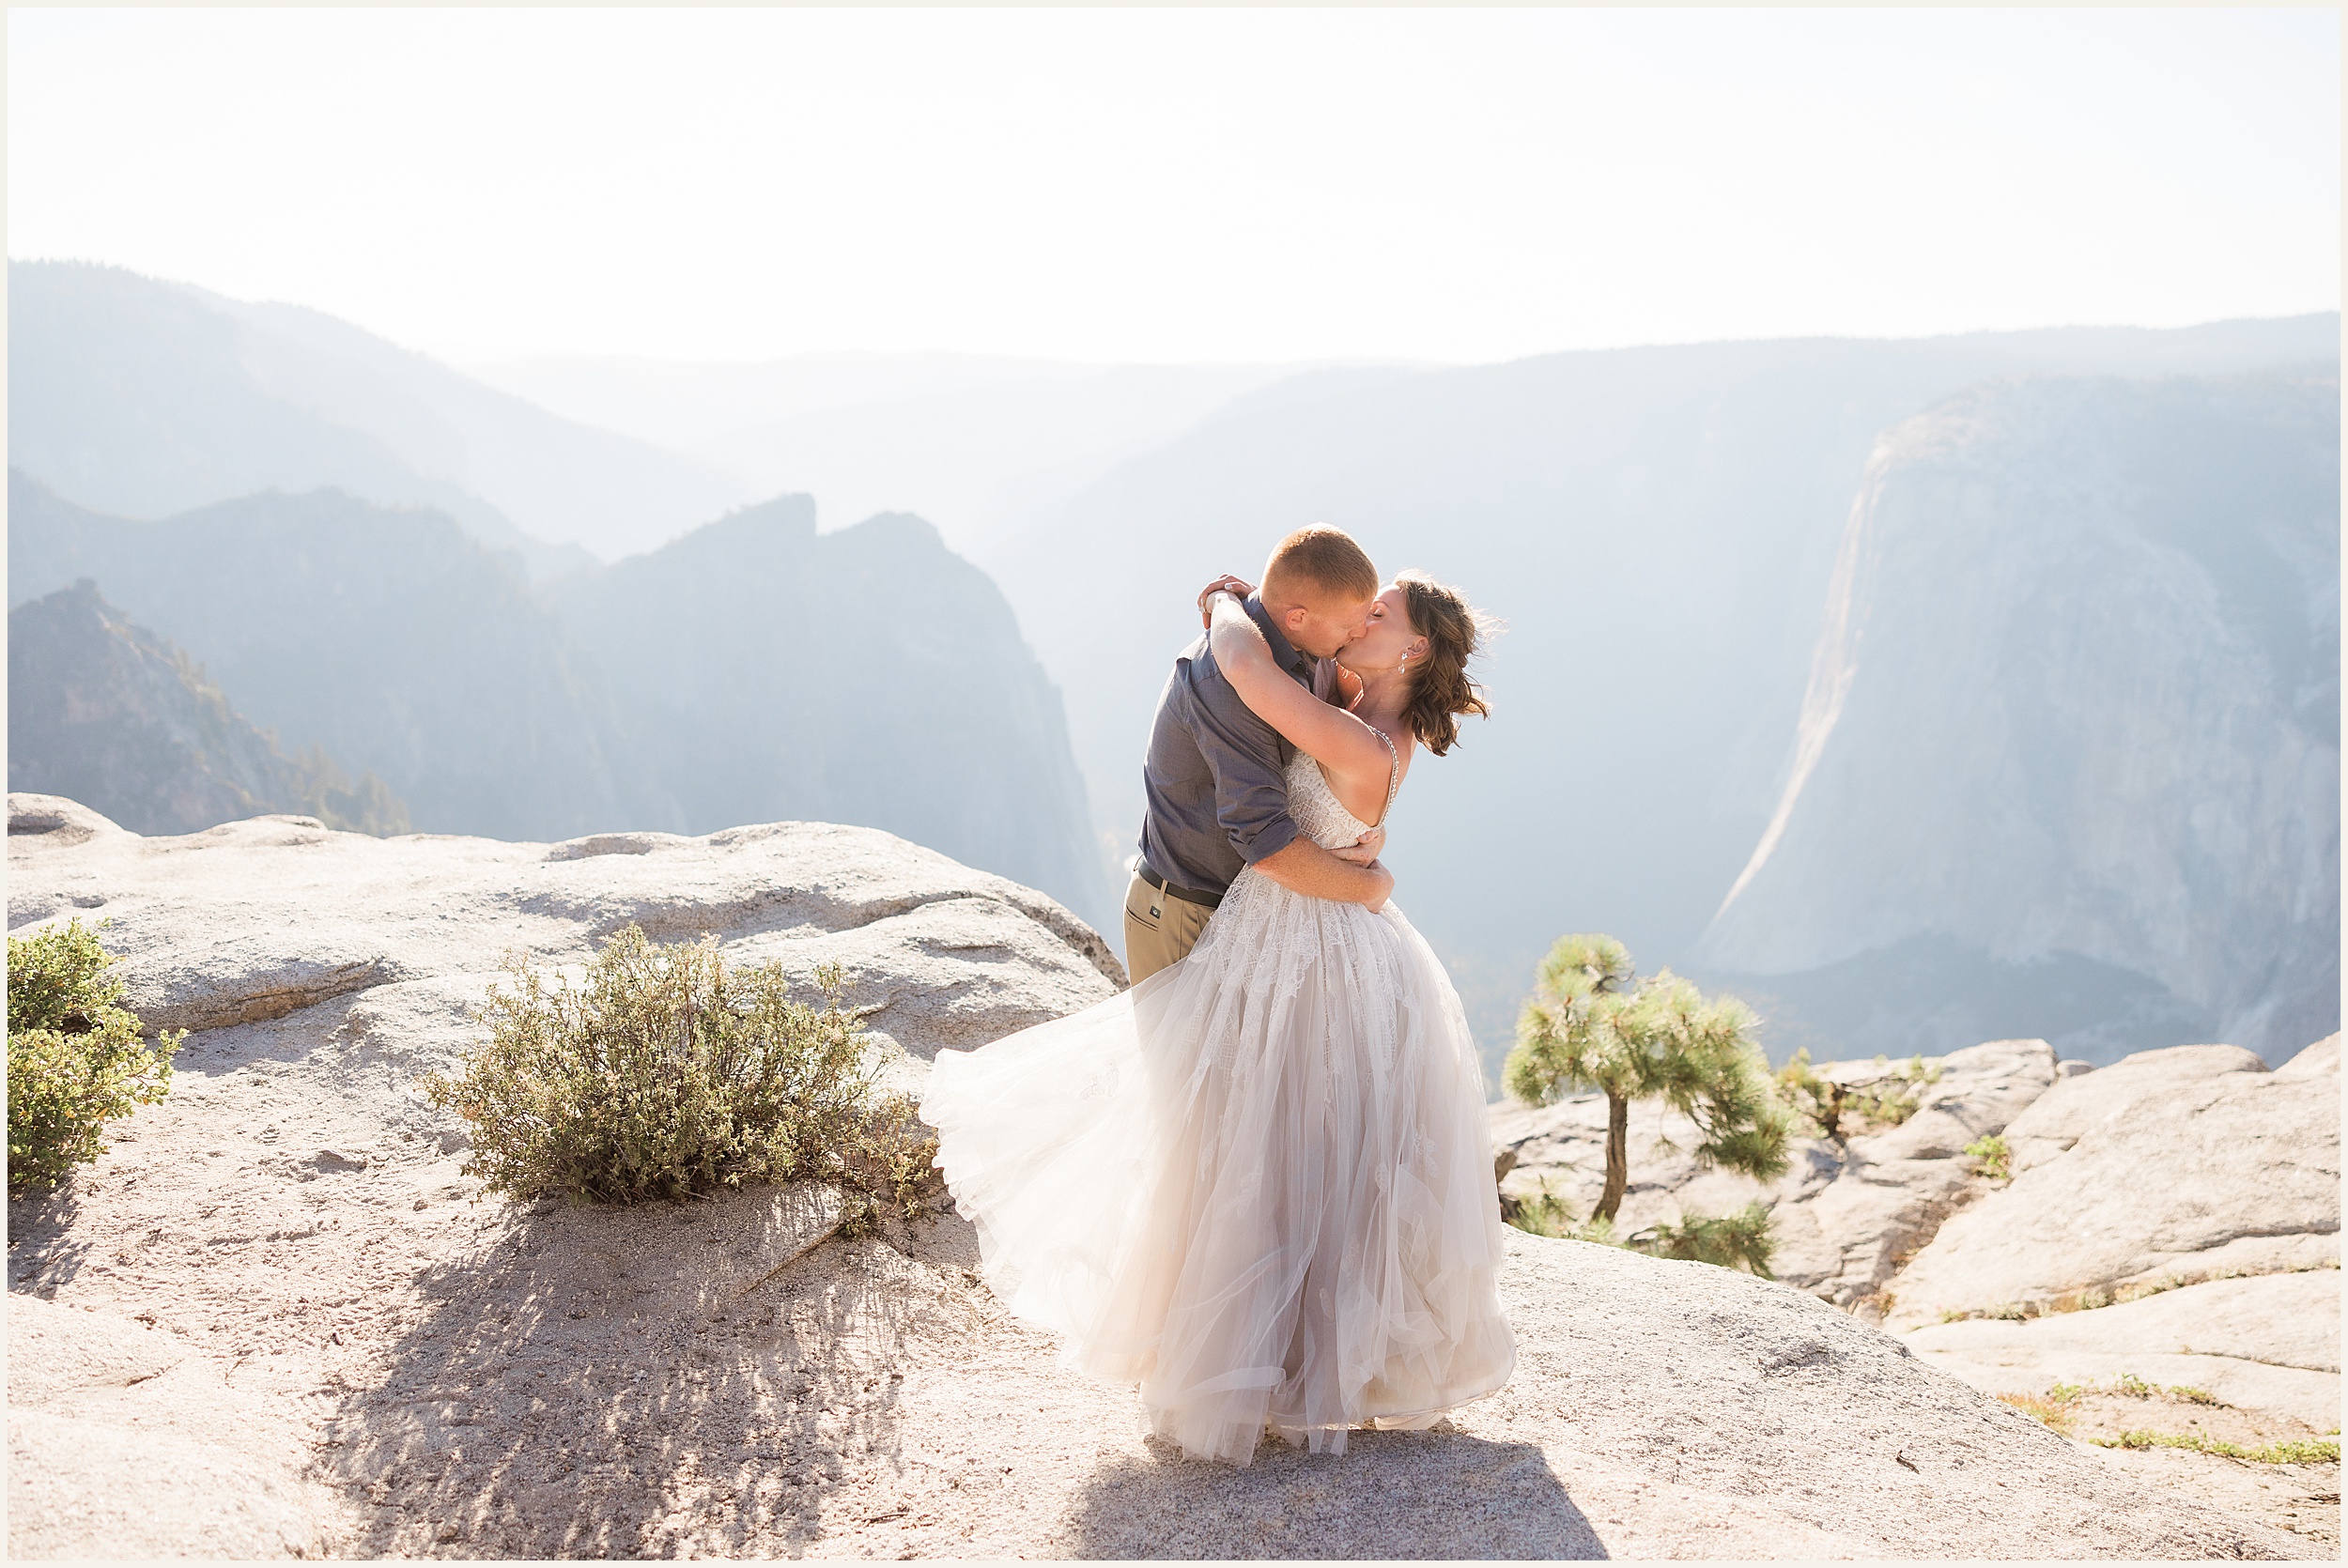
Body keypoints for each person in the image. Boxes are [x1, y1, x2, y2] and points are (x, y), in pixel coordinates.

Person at [919, 540, 1513, 1468]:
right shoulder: (1352, 701)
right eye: (1364, 607)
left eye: (1382, 615)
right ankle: (1284, 1362)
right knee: (1280, 1156)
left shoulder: (1357, 739)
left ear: (1411, 655)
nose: (1363, 619)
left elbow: (1241, 667)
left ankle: (1266, 1369)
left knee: (1266, 1158)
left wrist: (1230, 604)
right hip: (1294, 937)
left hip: (1310, 949)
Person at [1121, 525, 1394, 984]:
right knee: (1189, 1059)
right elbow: (1265, 842)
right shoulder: (1224, 686)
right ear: (1298, 618)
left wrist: (1362, 833)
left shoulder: (1316, 648)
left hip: (1250, 910)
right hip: (1188, 912)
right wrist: (1373, 886)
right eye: (1352, 623)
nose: (1360, 630)